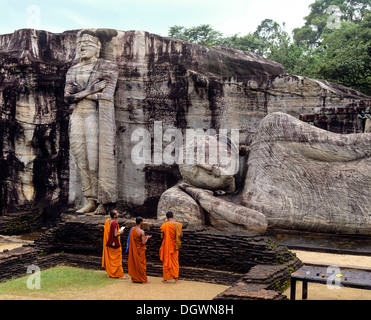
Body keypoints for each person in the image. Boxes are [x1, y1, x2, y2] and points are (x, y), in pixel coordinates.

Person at [65, 29, 119, 214]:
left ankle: (103, 199)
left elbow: (106, 95)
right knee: (81, 159)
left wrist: (79, 93)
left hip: (95, 116)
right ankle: (90, 199)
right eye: (79, 44)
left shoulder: (108, 66)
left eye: (87, 43)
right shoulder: (73, 70)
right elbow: (68, 98)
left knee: (95, 159)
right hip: (77, 115)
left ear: (98, 46)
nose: (81, 47)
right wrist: (89, 91)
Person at [102, 210, 129, 280]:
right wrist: (120, 232)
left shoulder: (107, 221)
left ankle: (110, 272)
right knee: (117, 259)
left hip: (108, 243)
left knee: (110, 259)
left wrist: (117, 230)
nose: (118, 214)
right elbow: (115, 235)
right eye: (117, 213)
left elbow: (110, 232)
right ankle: (120, 275)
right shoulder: (114, 223)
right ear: (114, 216)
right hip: (114, 244)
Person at [159, 212, 183, 284]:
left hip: (167, 246)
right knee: (175, 262)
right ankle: (176, 280)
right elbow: (180, 235)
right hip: (174, 246)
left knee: (166, 261)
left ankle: (165, 279)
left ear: (166, 217)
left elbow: (162, 237)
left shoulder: (164, 225)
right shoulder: (178, 225)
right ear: (173, 216)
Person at [127, 217, 152, 284]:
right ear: (141, 222)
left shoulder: (132, 230)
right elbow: (143, 243)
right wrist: (147, 238)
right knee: (141, 265)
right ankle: (143, 279)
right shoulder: (142, 232)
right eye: (142, 221)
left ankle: (135, 278)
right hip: (140, 250)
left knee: (135, 263)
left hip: (134, 250)